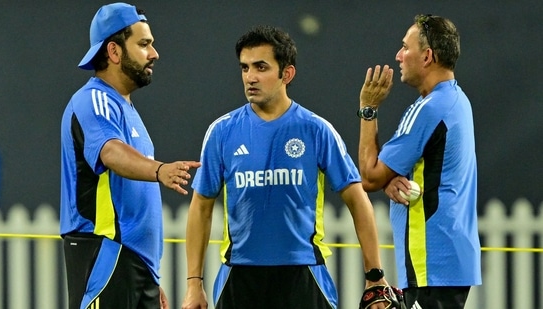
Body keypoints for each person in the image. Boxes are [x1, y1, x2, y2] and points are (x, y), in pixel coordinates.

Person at [181, 25, 391, 309]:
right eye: (244, 68)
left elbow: (357, 201)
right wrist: (194, 284)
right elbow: (201, 207)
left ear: (286, 74)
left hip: (303, 276)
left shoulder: (316, 130)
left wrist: (375, 275)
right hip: (239, 278)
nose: (250, 77)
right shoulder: (221, 132)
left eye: (261, 67)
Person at [60, 3, 200, 309]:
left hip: (135, 268)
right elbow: (110, 151)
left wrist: (150, 277)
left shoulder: (124, 107)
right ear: (114, 51)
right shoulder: (92, 99)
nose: (154, 54)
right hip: (105, 259)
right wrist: (160, 170)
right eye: (144, 44)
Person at [357, 14, 481, 309]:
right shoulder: (456, 100)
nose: (399, 56)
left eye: (405, 48)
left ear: (427, 56)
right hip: (447, 260)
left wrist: (368, 109)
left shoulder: (429, 109)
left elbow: (369, 176)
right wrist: (390, 179)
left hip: (431, 261)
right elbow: (410, 171)